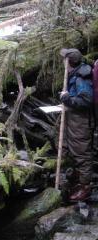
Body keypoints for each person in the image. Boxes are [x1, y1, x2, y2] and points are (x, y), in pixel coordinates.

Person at [59, 48, 93, 201]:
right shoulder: (73, 74)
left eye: (64, 59)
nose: (62, 62)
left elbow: (86, 101)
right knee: (70, 148)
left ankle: (86, 187)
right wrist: (65, 98)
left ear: (70, 62)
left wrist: (69, 100)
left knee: (81, 152)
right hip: (72, 118)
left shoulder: (81, 78)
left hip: (80, 121)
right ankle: (78, 180)